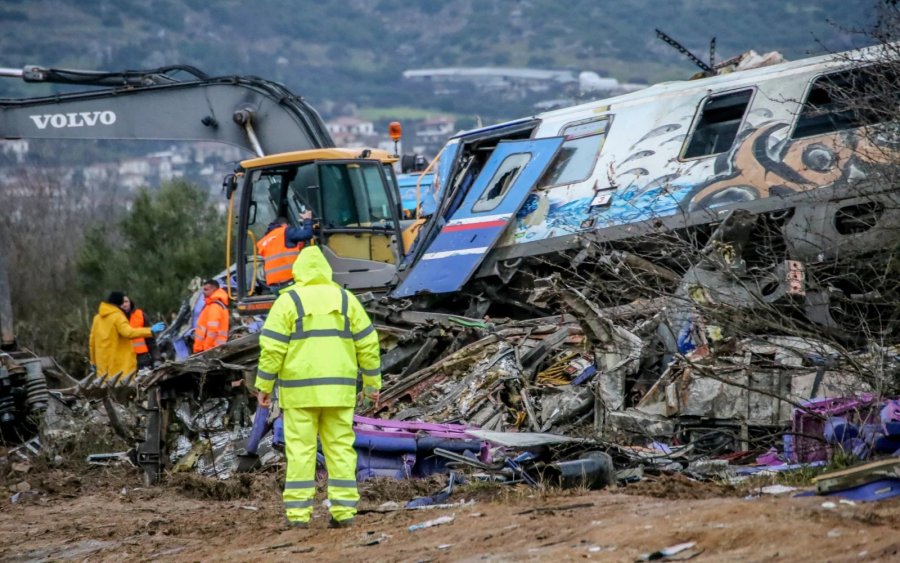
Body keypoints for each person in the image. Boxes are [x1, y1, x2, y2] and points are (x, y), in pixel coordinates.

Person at [255, 246, 381, 529]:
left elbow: (271, 348)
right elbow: (369, 345)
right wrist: (372, 385)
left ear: (298, 271)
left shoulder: (288, 301)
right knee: (340, 450)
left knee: (301, 451)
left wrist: (264, 385)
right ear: (326, 269)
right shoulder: (347, 300)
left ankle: (298, 517)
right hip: (339, 393)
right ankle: (344, 512)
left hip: (300, 394)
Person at [88, 291, 165, 384]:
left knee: (107, 391)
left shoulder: (97, 319)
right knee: (125, 390)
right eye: (122, 302)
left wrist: (93, 362)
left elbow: (92, 343)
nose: (124, 305)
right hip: (120, 365)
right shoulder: (118, 316)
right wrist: (150, 330)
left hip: (103, 367)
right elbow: (128, 332)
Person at [256, 211, 314, 292]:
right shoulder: (285, 231)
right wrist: (307, 219)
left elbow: (283, 250)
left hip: (273, 286)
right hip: (289, 282)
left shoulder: (263, 241)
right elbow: (307, 234)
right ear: (285, 225)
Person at [122, 296, 161, 369]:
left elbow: (151, 340)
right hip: (126, 362)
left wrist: (157, 359)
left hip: (143, 358)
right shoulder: (115, 320)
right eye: (121, 303)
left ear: (130, 302)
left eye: (126, 301)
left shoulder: (140, 315)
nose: (124, 304)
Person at [193, 279, 230, 353]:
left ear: (214, 289)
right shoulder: (211, 305)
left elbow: (212, 330)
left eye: (206, 289)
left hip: (211, 349)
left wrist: (207, 349)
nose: (204, 292)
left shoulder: (214, 306)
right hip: (211, 348)